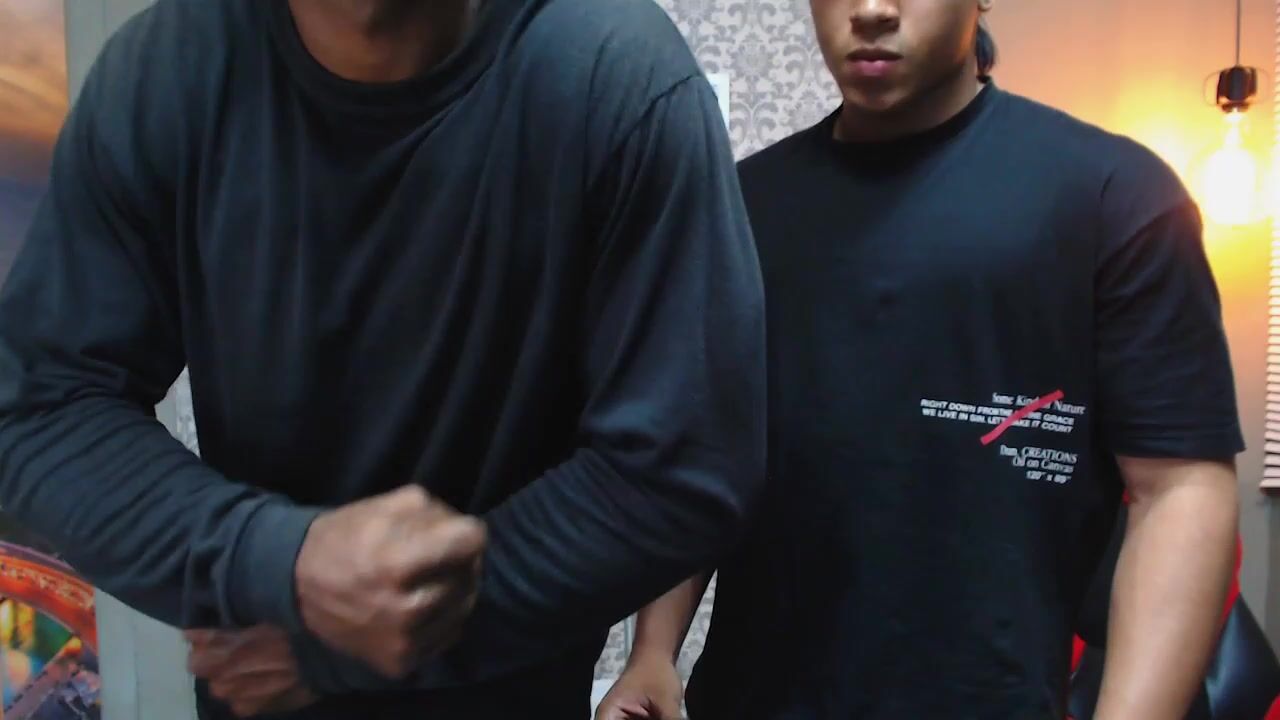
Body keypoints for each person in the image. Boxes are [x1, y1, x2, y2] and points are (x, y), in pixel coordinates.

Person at [0, 0, 767, 717]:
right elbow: (43, 405)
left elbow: (683, 467)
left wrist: (367, 640)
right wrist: (279, 562)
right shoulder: (171, 70)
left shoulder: (615, 76)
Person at [597, 1, 1242, 718]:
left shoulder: (1114, 198)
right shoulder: (740, 208)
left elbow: (1179, 489)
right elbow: (704, 450)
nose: (872, 9)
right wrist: (653, 653)